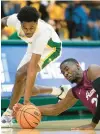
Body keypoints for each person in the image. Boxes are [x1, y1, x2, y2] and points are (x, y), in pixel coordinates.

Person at [1, 6, 65, 127]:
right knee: (20, 89)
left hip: (50, 49)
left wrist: (26, 101)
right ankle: (59, 91)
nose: (28, 31)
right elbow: (2, 21)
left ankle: (7, 115)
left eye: (32, 28)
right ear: (20, 24)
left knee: (21, 75)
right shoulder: (15, 20)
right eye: (25, 28)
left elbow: (31, 70)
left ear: (37, 23)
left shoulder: (43, 33)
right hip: (33, 47)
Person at [13, 58, 100, 130]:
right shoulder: (74, 92)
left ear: (77, 65)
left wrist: (93, 124)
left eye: (67, 69)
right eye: (63, 73)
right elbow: (55, 109)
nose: (66, 73)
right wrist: (28, 109)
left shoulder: (92, 70)